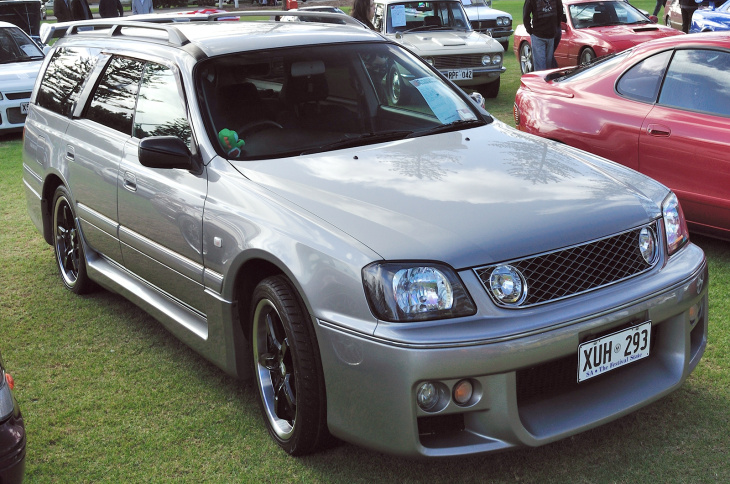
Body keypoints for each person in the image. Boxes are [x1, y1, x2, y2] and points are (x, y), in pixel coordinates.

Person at [523, 0, 561, 72]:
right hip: (540, 35)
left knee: (543, 65)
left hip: (546, 34)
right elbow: (560, 12)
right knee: (544, 65)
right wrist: (530, 30)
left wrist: (530, 30)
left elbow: (526, 15)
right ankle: (543, 82)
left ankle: (543, 81)